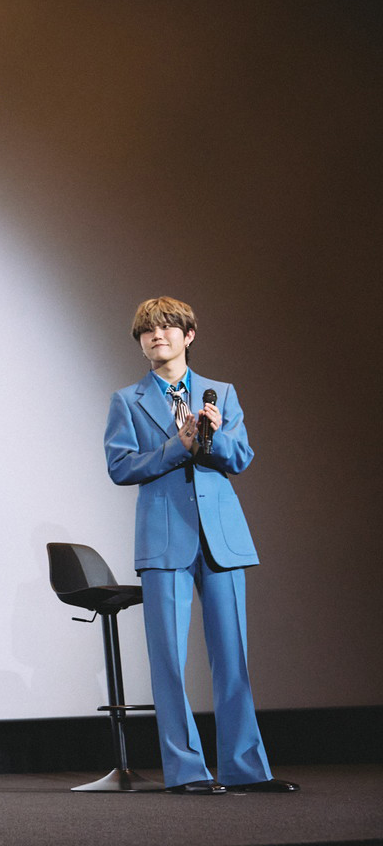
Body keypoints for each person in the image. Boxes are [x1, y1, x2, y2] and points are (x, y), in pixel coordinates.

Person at [103, 296, 297, 795]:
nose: (157, 336)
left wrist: (213, 437)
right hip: (165, 539)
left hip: (222, 539)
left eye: (168, 327)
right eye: (147, 330)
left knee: (233, 658)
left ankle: (245, 769)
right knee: (169, 661)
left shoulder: (221, 393)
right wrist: (179, 446)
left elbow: (241, 457)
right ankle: (187, 771)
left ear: (188, 336)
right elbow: (121, 467)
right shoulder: (127, 401)